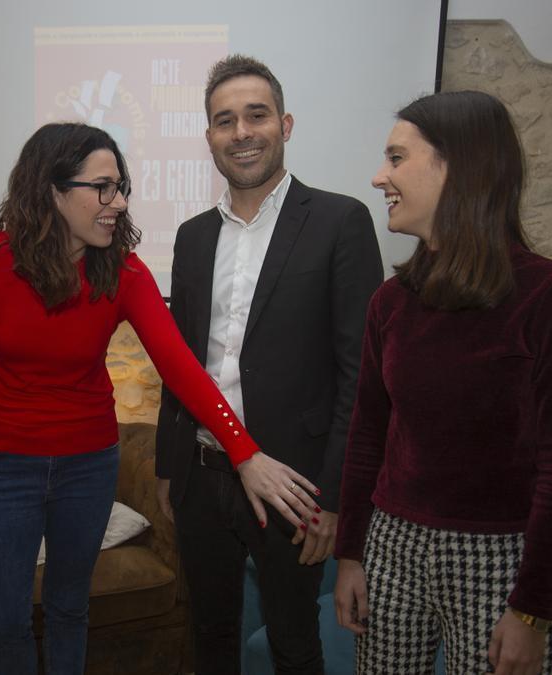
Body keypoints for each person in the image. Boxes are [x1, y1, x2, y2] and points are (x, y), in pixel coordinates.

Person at [0, 122, 321, 675]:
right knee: (5, 621)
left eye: (121, 187)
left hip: (88, 465)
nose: (118, 202)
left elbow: (183, 371)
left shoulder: (122, 269)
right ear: (51, 189)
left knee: (71, 609)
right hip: (3, 466)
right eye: (103, 188)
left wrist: (244, 452)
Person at [333, 90, 552, 675]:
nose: (380, 177)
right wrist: (350, 554)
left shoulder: (551, 295)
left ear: (457, 165)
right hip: (391, 544)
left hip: (501, 557)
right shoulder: (390, 301)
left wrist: (532, 609)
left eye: (397, 158)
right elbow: (367, 437)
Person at [153, 55, 383, 675]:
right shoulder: (193, 236)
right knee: (209, 635)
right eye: (224, 121)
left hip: (296, 484)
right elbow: (183, 364)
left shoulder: (341, 221)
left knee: (293, 643)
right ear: (209, 139)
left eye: (256, 116)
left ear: (285, 124)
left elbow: (359, 378)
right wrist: (169, 468)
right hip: (203, 473)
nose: (241, 132)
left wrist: (335, 500)